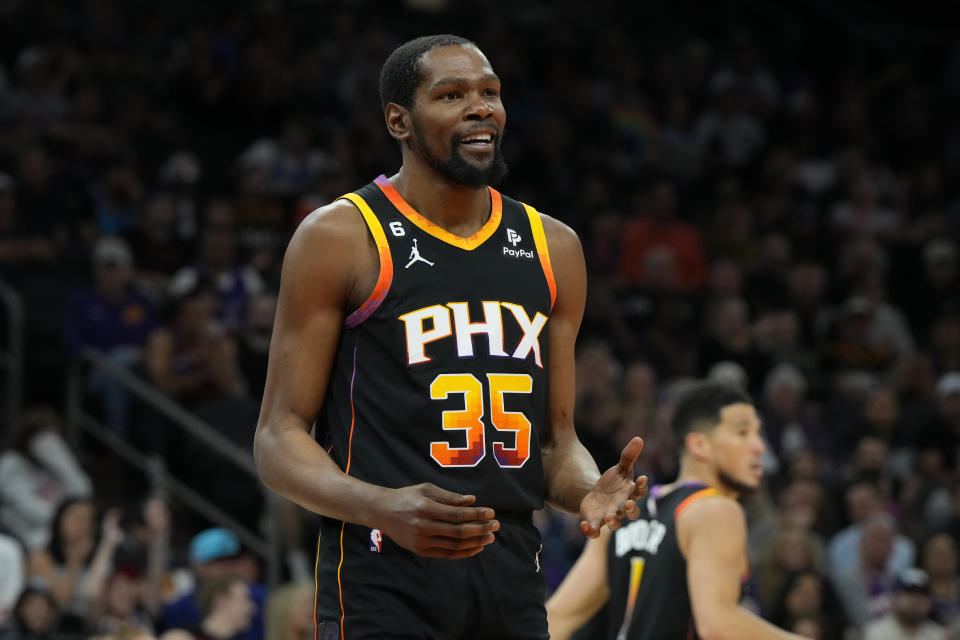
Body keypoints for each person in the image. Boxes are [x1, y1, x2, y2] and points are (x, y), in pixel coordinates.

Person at [253, 34, 647, 639]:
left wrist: (589, 491)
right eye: (453, 94)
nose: (481, 107)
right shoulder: (341, 236)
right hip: (382, 574)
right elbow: (279, 440)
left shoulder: (554, 248)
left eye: (490, 92)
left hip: (511, 572)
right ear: (399, 121)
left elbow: (554, 446)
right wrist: (378, 505)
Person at [546, 382, 808, 639]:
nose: (759, 447)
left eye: (758, 433)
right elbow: (718, 625)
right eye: (743, 433)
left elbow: (558, 617)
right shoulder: (715, 508)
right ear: (699, 445)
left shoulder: (627, 510)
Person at [864, 568, 945, 640]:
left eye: (923, 594)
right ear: (894, 598)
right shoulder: (877, 632)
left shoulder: (939, 634)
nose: (916, 599)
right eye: (909, 592)